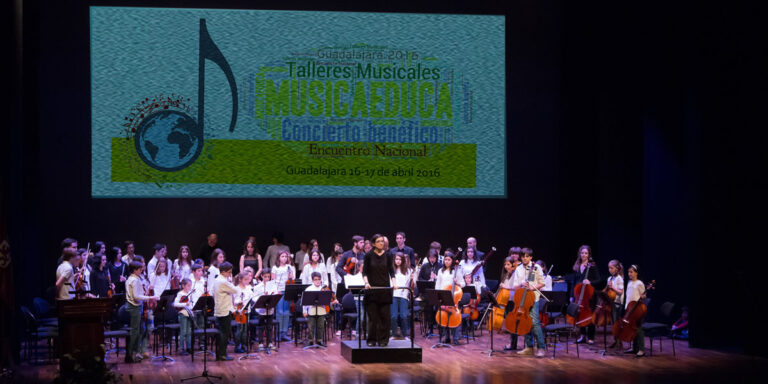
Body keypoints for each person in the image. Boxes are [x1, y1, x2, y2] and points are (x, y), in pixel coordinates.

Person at [511, 248, 547, 358]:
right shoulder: (518, 269)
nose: (524, 258)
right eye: (523, 256)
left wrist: (532, 287)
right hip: (522, 299)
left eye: (527, 256)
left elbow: (542, 283)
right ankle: (529, 347)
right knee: (524, 322)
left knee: (535, 322)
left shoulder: (536, 268)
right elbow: (515, 286)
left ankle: (541, 347)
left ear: (531, 257)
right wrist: (522, 284)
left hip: (533, 298)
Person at [362, 234, 396, 347]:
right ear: (373, 244)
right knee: (373, 318)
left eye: (382, 241)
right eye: (379, 241)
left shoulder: (388, 255)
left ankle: (383, 340)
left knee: (384, 317)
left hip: (384, 290)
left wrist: (394, 283)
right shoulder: (368, 255)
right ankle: (371, 339)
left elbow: (391, 271)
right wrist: (366, 283)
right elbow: (364, 272)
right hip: (372, 291)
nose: (381, 243)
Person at [125, 261, 160, 363]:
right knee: (135, 332)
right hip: (134, 308)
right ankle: (133, 355)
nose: (141, 270)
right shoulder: (135, 280)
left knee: (136, 331)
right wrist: (151, 297)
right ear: (134, 270)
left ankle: (132, 354)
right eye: (140, 269)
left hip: (134, 307)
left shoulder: (131, 279)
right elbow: (136, 296)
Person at [573, 245, 601, 345]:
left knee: (590, 315)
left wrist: (590, 282)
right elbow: (575, 281)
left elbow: (598, 280)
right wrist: (573, 295)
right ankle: (583, 335)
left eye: (586, 253)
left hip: (589, 295)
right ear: (579, 254)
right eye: (582, 253)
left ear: (589, 255)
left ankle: (591, 336)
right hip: (579, 295)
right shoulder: (577, 266)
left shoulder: (592, 266)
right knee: (580, 314)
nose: (584, 255)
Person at [302, 272, 336, 347]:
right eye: (315, 279)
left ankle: (319, 340)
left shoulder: (324, 289)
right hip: (311, 310)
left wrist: (333, 302)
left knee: (320, 326)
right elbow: (304, 302)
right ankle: (310, 341)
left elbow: (327, 300)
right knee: (311, 326)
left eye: (319, 279)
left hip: (321, 309)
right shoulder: (308, 289)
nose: (317, 281)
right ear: (312, 280)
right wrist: (304, 311)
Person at [434, 252, 461, 345]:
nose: (447, 261)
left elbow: (463, 284)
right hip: (443, 296)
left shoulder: (456, 271)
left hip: (453, 296)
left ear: (452, 261)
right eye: (445, 260)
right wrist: (437, 297)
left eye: (449, 260)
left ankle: (456, 338)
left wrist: (457, 282)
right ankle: (446, 337)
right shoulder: (440, 271)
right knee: (444, 316)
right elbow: (438, 285)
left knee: (454, 316)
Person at [213, 262, 238, 361]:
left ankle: (220, 354)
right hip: (224, 310)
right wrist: (231, 281)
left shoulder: (217, 280)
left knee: (221, 332)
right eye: (229, 272)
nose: (230, 274)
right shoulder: (223, 281)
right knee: (225, 333)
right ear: (223, 272)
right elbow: (235, 290)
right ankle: (222, 354)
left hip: (220, 309)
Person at [624, 264, 647, 357]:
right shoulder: (629, 282)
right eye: (628, 272)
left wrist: (643, 296)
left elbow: (644, 296)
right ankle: (634, 348)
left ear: (636, 273)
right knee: (632, 329)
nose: (629, 274)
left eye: (631, 272)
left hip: (637, 310)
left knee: (639, 329)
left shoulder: (639, 283)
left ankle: (641, 349)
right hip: (629, 309)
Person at [252, 268, 278, 349]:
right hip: (261, 310)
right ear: (262, 276)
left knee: (269, 327)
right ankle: (260, 343)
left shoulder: (273, 285)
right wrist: (261, 300)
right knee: (261, 326)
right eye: (265, 276)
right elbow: (254, 297)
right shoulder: (258, 287)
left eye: (268, 277)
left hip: (270, 309)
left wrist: (273, 296)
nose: (267, 278)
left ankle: (269, 343)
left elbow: (275, 294)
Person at [272, 251, 295, 342]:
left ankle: (284, 333)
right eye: (282, 256)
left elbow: (292, 279)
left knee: (286, 312)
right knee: (280, 312)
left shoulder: (289, 267)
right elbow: (273, 281)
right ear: (279, 257)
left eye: (286, 256)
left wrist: (291, 275)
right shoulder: (275, 268)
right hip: (279, 291)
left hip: (287, 291)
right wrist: (275, 290)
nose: (284, 258)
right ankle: (278, 333)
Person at [498, 256, 519, 350]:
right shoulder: (507, 274)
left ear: (513, 265)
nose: (506, 266)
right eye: (505, 264)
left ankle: (513, 344)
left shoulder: (515, 274)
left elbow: (516, 287)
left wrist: (505, 287)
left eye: (508, 264)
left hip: (514, 301)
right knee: (510, 323)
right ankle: (512, 343)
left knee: (513, 323)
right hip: (508, 301)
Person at [391, 252, 413, 339]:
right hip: (393, 295)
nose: (398, 261)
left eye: (400, 259)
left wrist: (412, 279)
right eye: (396, 259)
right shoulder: (392, 270)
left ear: (403, 260)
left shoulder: (408, 271)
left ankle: (404, 335)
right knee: (393, 316)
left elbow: (409, 285)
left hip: (403, 295)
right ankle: (394, 334)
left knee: (403, 316)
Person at [233, 272, 255, 353]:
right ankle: (237, 346)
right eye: (245, 279)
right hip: (239, 312)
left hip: (247, 311)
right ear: (240, 279)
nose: (247, 281)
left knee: (245, 329)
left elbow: (252, 297)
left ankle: (244, 344)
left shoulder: (248, 288)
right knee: (240, 329)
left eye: (247, 279)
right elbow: (234, 300)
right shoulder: (236, 289)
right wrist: (239, 302)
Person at [606, 259, 625, 348]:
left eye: (611, 268)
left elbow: (620, 292)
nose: (610, 270)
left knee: (616, 323)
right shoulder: (609, 278)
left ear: (617, 269)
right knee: (612, 323)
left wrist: (613, 287)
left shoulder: (619, 279)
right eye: (609, 268)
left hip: (617, 303)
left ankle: (619, 341)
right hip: (611, 303)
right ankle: (615, 340)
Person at [173, 278, 195, 355]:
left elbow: (191, 304)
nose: (189, 287)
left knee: (189, 332)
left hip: (189, 314)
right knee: (183, 331)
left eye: (190, 286)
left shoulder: (190, 293)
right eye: (188, 286)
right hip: (182, 314)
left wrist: (192, 308)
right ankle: (181, 348)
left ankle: (188, 347)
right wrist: (185, 304)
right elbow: (175, 304)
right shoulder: (180, 294)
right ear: (183, 285)